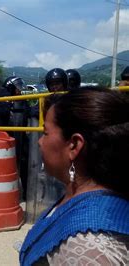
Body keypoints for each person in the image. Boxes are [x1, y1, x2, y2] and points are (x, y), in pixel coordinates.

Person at [19, 87, 129, 265]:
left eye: (45, 133)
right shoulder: (82, 197)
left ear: (74, 145)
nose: (40, 141)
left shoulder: (89, 250)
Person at [3, 75, 30, 199]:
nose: (20, 90)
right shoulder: (3, 104)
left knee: (24, 165)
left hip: (22, 140)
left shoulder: (25, 102)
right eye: (17, 87)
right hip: (8, 143)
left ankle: (25, 192)